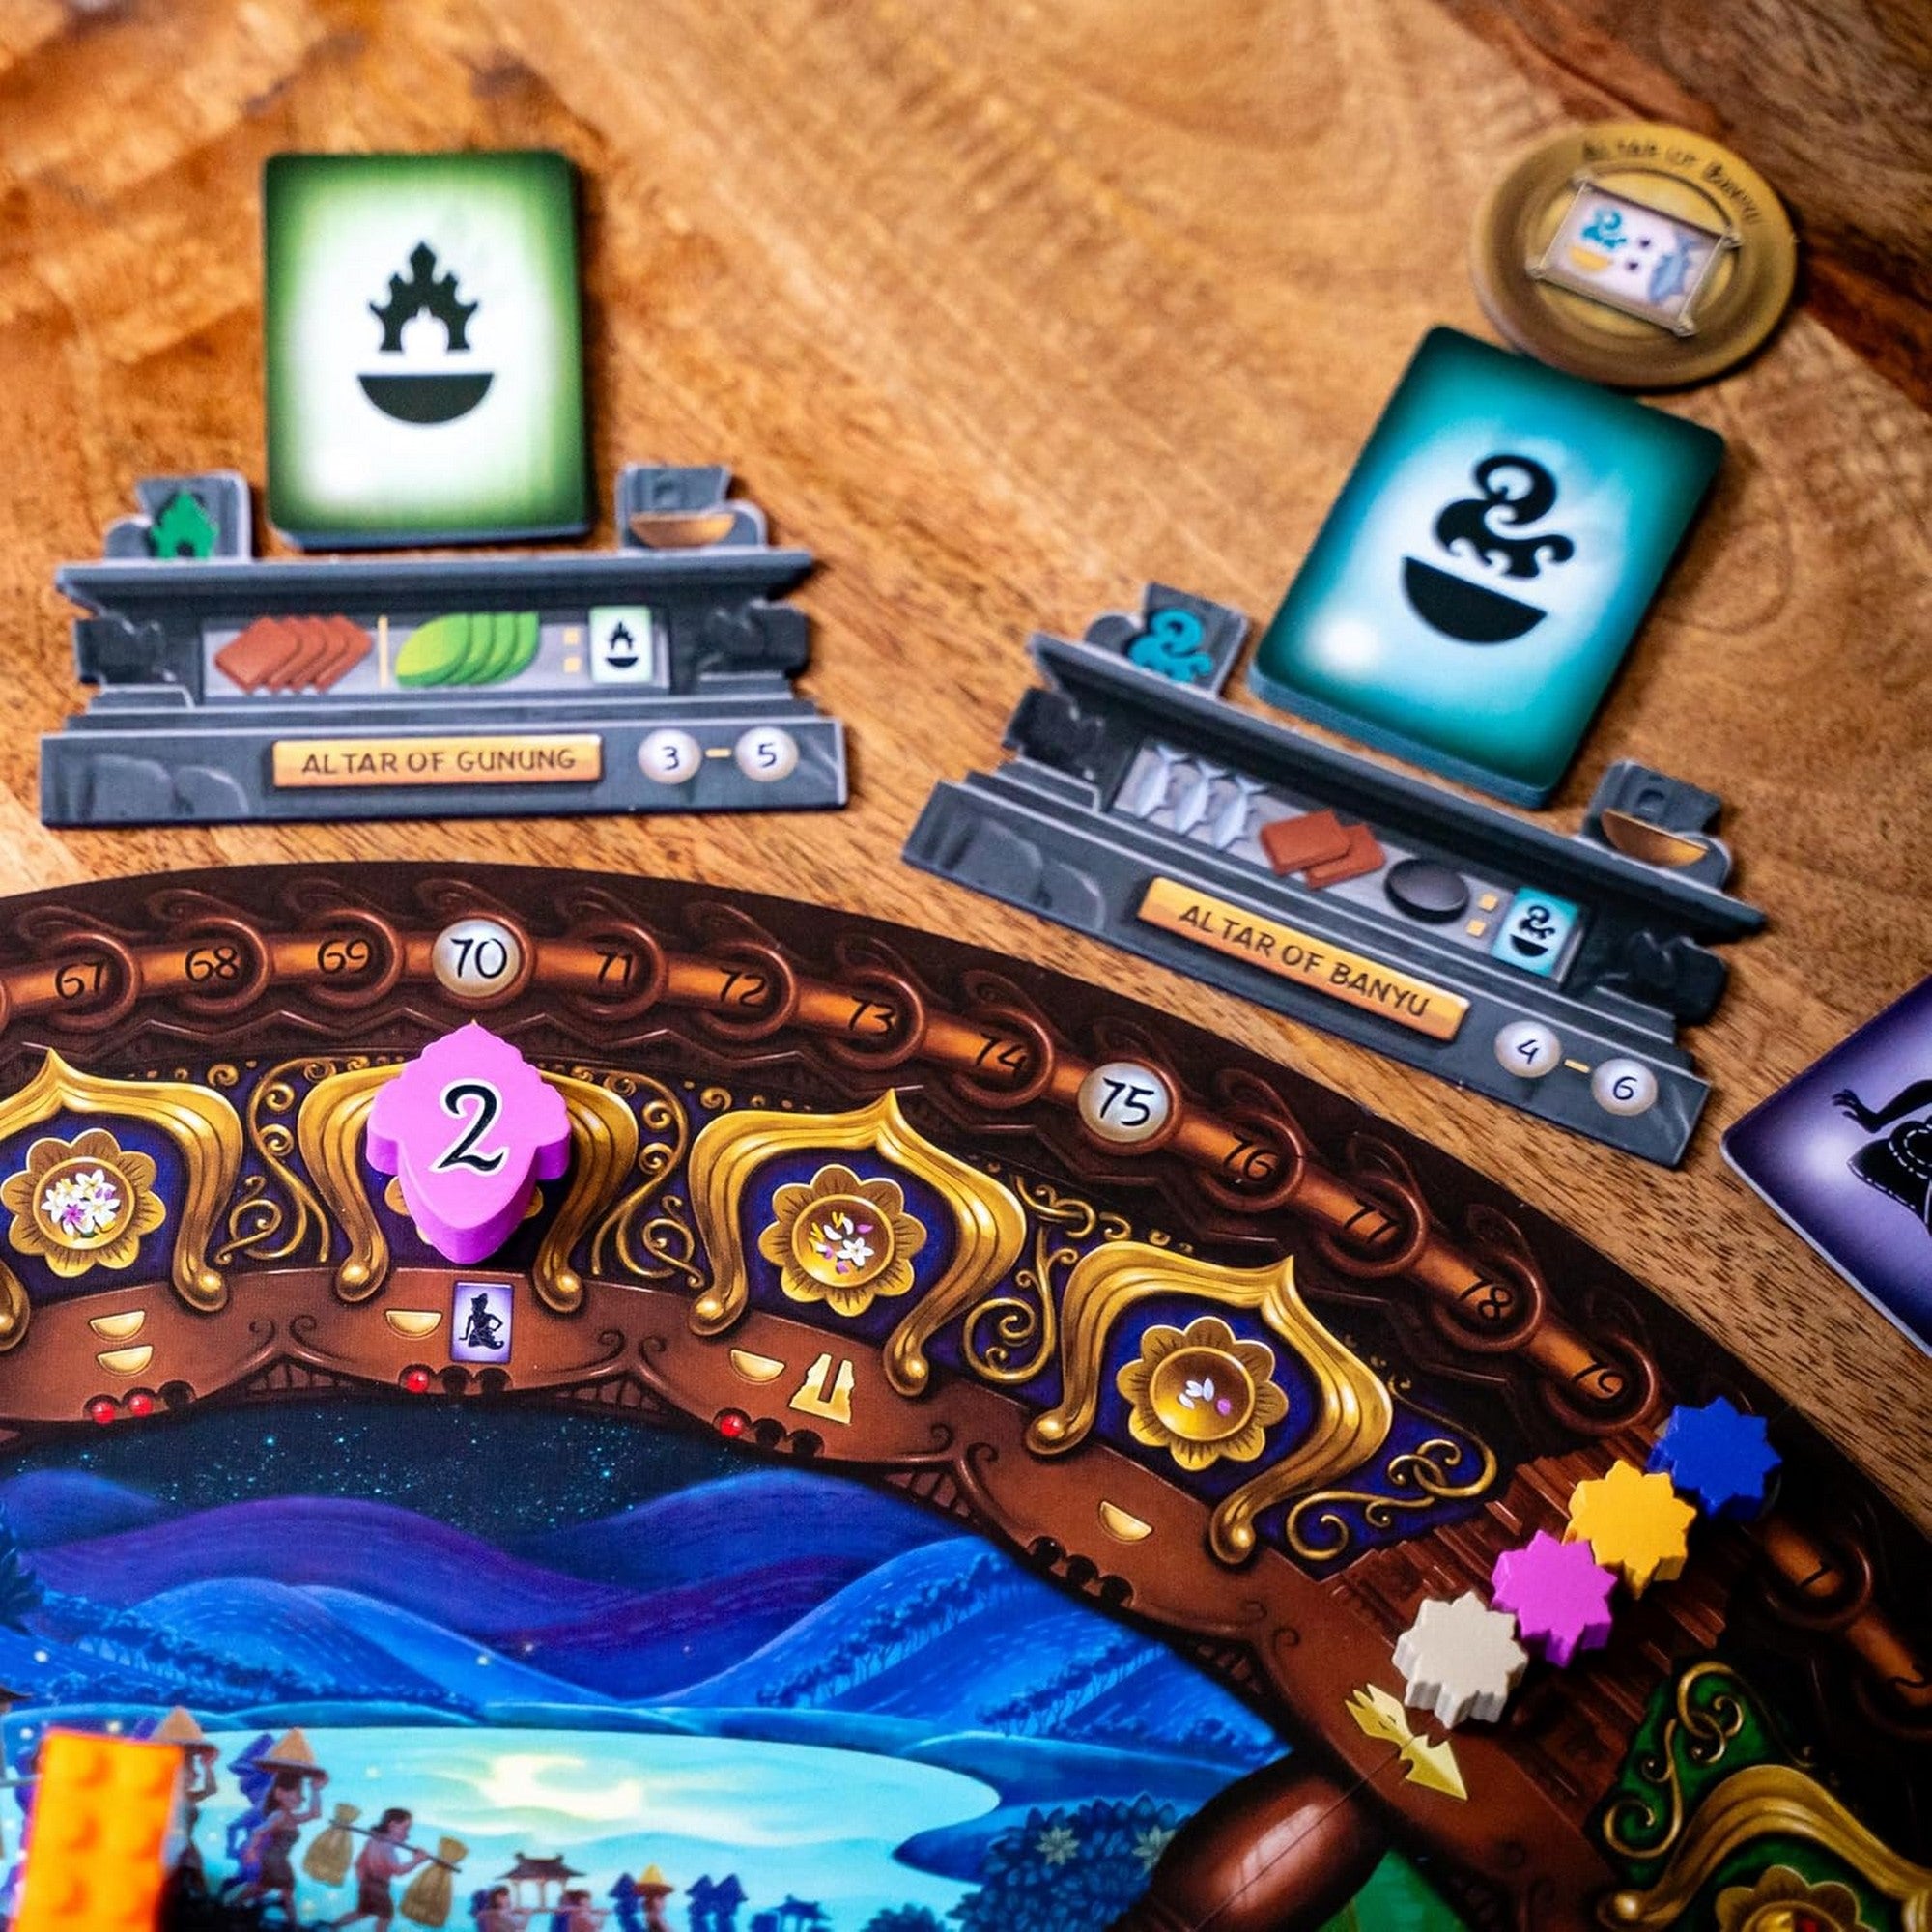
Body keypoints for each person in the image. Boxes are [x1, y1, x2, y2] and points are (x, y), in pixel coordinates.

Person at [229, 1767, 327, 1918]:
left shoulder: (290, 1817)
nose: (301, 1798)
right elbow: (258, 1831)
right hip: (273, 1859)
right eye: (297, 1792)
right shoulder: (279, 1815)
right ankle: (292, 1925)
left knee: (265, 1888)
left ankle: (233, 1906)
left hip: (278, 1859)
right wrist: (251, 1851)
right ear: (279, 1793)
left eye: (301, 1794)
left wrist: (315, 1790)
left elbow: (315, 1814)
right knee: (281, 1890)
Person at [328, 1806, 435, 1931]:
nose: (407, 1834)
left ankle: (331, 1926)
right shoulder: (387, 1847)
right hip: (379, 1886)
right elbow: (399, 1871)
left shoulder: (372, 1841)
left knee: (362, 1912)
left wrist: (363, 1882)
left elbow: (359, 1864)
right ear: (393, 1825)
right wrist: (416, 1861)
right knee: (386, 1916)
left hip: (367, 1883)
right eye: (405, 1828)